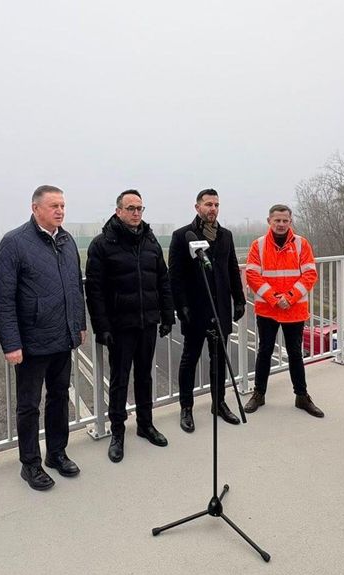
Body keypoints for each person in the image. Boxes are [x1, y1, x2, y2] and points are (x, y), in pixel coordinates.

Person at [0, 185, 87, 490]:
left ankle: (57, 453)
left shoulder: (67, 240)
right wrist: (11, 343)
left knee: (59, 398)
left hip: (63, 337)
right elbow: (2, 297)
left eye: (63, 205)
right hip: (32, 342)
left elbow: (75, 288)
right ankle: (30, 463)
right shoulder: (15, 243)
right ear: (35, 209)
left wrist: (79, 324)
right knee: (29, 405)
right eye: (53, 206)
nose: (60, 211)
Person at [85, 189, 175, 462]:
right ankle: (118, 433)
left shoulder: (150, 240)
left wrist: (167, 315)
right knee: (120, 380)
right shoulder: (102, 244)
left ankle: (146, 425)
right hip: (120, 325)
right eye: (131, 208)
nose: (136, 213)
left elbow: (163, 279)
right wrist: (103, 327)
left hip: (147, 321)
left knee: (145, 376)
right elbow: (95, 291)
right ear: (118, 211)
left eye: (140, 208)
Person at [168, 188, 245, 433]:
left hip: (220, 308)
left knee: (219, 358)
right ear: (197, 207)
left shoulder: (226, 235)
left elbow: (232, 268)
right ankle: (186, 408)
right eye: (208, 204)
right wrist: (181, 307)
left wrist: (239, 299)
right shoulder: (182, 236)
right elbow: (175, 276)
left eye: (216, 205)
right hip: (195, 309)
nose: (213, 209)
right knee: (189, 359)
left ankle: (219, 403)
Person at [242, 204, 324, 418]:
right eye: (277, 220)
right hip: (268, 309)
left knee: (295, 353)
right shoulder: (258, 245)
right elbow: (252, 275)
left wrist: (289, 297)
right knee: (265, 351)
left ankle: (302, 396)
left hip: (293, 309)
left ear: (290, 221)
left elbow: (309, 274)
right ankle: (258, 394)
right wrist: (273, 298)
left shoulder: (301, 244)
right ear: (269, 221)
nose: (280, 224)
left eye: (284, 221)